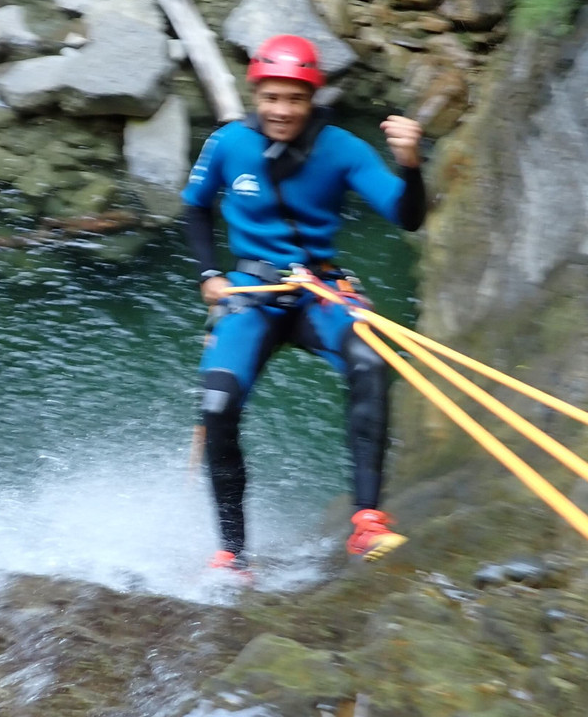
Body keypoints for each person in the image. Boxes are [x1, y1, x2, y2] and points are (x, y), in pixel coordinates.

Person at [180, 33, 427, 573]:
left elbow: (406, 216)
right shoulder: (226, 144)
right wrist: (208, 275)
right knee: (217, 405)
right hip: (253, 295)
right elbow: (195, 208)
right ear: (256, 95)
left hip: (320, 291)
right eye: (272, 97)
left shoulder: (342, 148)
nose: (282, 110)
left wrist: (410, 165)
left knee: (370, 361)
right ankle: (232, 553)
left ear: (311, 97)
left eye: (294, 98)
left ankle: (367, 523)